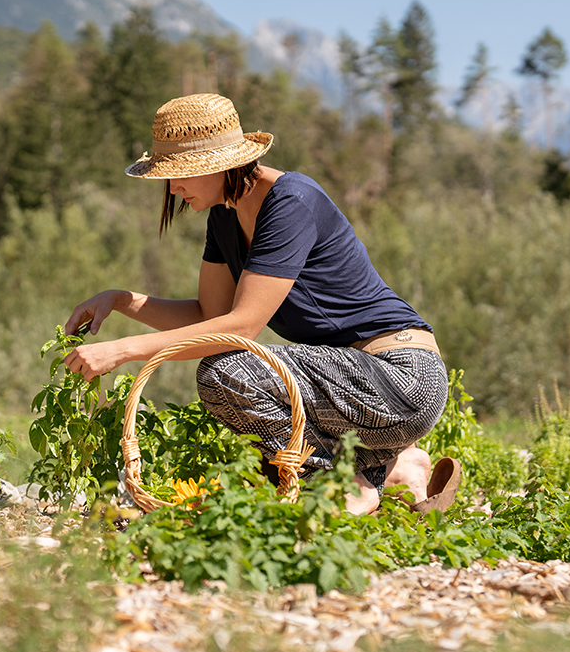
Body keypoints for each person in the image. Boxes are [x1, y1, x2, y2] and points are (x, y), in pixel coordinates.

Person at [62, 93, 458, 515]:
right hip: (351, 387)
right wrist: (122, 300)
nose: (173, 187)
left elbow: (241, 327)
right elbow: (209, 317)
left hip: (404, 377)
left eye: (181, 173)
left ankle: (351, 481)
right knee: (228, 373)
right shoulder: (224, 216)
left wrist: (123, 350)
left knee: (226, 371)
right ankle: (387, 467)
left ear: (221, 163)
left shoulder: (291, 201)